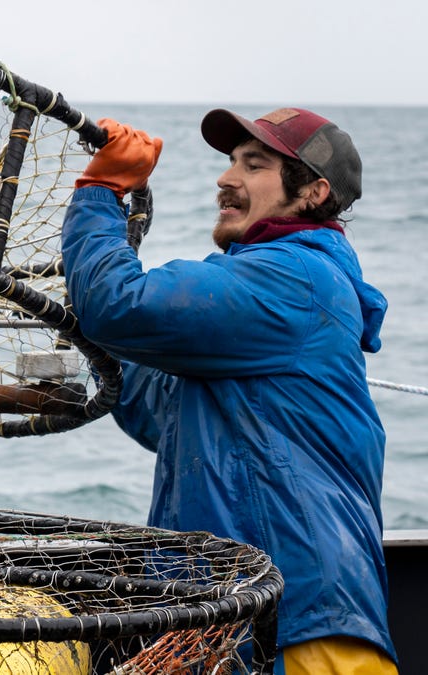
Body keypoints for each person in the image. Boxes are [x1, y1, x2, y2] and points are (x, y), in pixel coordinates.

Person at [61, 108, 397, 673]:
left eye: (254, 164)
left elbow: (119, 306)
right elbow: (156, 413)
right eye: (230, 161)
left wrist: (100, 191)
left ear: (313, 192)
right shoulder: (271, 297)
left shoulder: (293, 276)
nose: (225, 178)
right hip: (235, 618)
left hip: (299, 623)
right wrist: (97, 328)